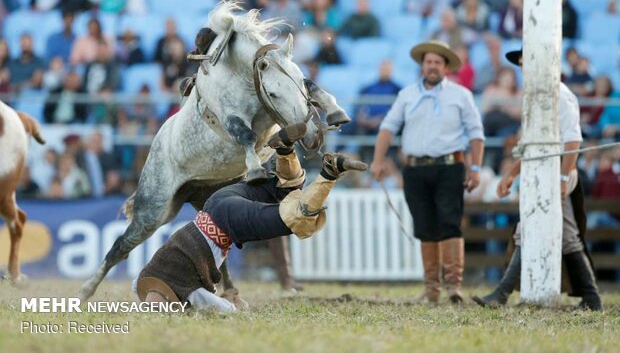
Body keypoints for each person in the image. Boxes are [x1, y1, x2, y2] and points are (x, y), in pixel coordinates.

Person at [134, 123, 367, 310]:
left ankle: (329, 171)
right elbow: (138, 286)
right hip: (216, 203)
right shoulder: (149, 273)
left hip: (226, 222)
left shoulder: (187, 291)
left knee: (297, 219)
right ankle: (285, 149)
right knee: (286, 191)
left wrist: (233, 304)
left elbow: (225, 310)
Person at [473, 48, 602, 311]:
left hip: (556, 172)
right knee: (564, 237)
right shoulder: (533, 98)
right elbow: (533, 147)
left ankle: (501, 293)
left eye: (527, 63)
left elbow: (573, 139)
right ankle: (591, 298)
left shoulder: (562, 95)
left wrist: (563, 177)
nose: (523, 70)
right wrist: (511, 174)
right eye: (521, 65)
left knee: (530, 229)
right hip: (539, 172)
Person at [370, 40, 485, 304]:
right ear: (423, 66)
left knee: (449, 222)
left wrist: (475, 168)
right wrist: (378, 160)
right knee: (424, 226)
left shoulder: (460, 95)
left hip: (450, 167)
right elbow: (388, 127)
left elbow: (476, 133)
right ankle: (432, 289)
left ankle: (453, 286)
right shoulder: (407, 95)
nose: (432, 66)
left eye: (437, 62)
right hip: (415, 169)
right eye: (428, 62)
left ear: (445, 67)